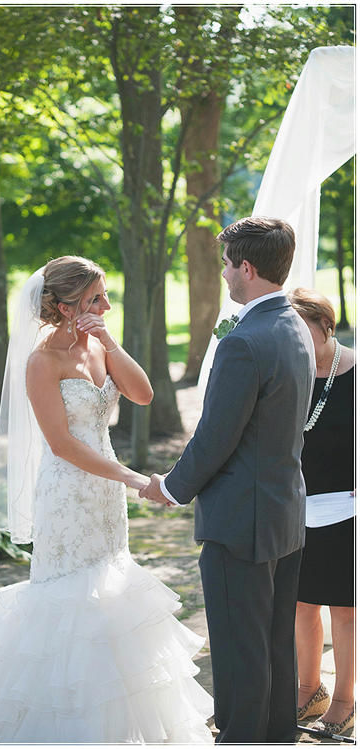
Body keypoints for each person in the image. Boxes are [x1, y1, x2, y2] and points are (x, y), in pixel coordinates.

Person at [0, 256, 214, 743]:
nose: (105, 305)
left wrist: (108, 340)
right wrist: (134, 479)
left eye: (104, 297)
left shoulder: (99, 347)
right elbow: (61, 444)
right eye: (94, 300)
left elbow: (141, 394)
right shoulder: (42, 361)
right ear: (63, 307)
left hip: (104, 493)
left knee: (108, 596)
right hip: (68, 492)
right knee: (69, 601)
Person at [141, 216, 316, 743]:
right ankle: (277, 734)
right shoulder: (294, 326)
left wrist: (170, 487)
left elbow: (217, 436)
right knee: (273, 642)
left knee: (240, 649)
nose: (221, 272)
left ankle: (244, 737)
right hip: (283, 512)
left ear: (248, 267)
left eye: (226, 263)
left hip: (241, 522)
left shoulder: (245, 341)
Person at [287, 287, 355, 736]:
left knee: (346, 608)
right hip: (296, 505)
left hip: (349, 505)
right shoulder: (287, 367)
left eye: (307, 334)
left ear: (327, 327)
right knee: (301, 604)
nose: (299, 345)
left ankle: (347, 701)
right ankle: (309, 690)